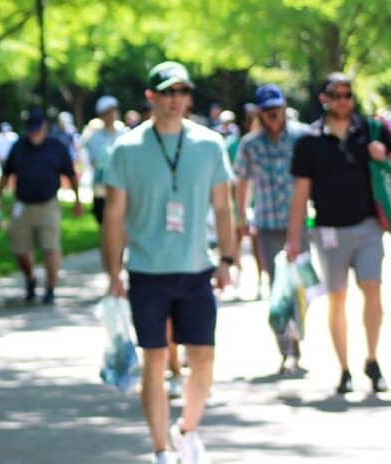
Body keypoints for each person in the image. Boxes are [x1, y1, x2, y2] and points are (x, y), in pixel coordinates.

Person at [103, 61, 236, 464]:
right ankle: (161, 449)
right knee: (156, 359)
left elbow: (223, 207)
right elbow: (113, 216)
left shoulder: (209, 144)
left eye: (182, 91)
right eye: (167, 92)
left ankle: (186, 430)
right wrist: (112, 273)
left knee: (203, 360)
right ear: (151, 97)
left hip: (196, 270)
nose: (175, 100)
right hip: (147, 272)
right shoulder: (127, 148)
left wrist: (227, 258)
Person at [286, 72, 389, 395]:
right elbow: (300, 192)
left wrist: (383, 156)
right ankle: (344, 369)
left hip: (368, 225)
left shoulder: (369, 131)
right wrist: (293, 238)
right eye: (337, 95)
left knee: (372, 289)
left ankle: (372, 360)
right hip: (329, 230)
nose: (344, 101)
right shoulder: (309, 140)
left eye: (348, 94)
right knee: (338, 298)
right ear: (324, 99)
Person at [233, 85, 307, 373]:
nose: (273, 115)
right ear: (259, 113)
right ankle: (287, 348)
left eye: (276, 109)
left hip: (298, 224)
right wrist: (241, 217)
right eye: (267, 111)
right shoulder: (250, 144)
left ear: (284, 107)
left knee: (301, 285)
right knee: (277, 287)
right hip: (266, 225)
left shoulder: (302, 136)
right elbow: (241, 181)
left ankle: (297, 336)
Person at [0, 109, 80, 305]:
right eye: (31, 129)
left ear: (45, 127)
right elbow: (6, 174)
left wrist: (77, 200)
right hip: (23, 205)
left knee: (50, 247)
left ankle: (50, 288)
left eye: (38, 128)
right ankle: (30, 279)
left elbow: (71, 174)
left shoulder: (56, 147)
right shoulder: (19, 146)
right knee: (20, 249)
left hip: (48, 204)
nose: (34, 133)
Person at [83, 95, 128, 225]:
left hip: (122, 186)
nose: (111, 115)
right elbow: (94, 161)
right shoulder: (94, 137)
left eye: (113, 110)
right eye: (107, 112)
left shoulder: (125, 134)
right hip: (101, 188)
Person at [0, 121, 19, 186]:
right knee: (3, 175)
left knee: (12, 176)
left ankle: (10, 188)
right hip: (1, 159)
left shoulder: (14, 136)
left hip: (12, 159)